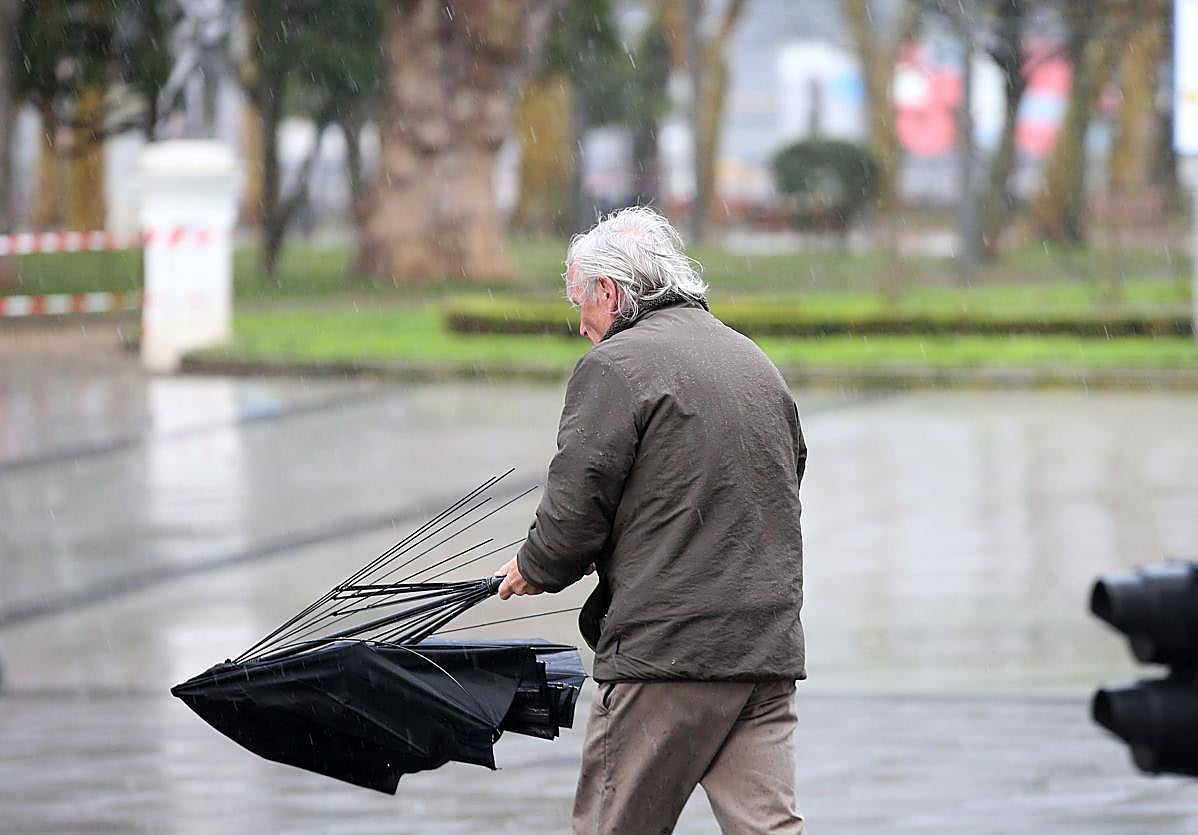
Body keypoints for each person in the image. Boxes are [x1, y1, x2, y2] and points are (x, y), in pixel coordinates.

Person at [494, 207, 807, 834]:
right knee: (768, 829)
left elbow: (578, 499)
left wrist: (538, 565)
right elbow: (781, 474)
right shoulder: (750, 360)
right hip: (761, 648)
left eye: (580, 303)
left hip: (669, 654)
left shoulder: (616, 367)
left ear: (609, 292)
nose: (582, 327)